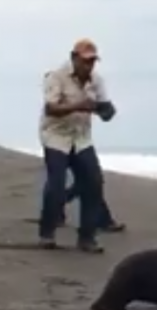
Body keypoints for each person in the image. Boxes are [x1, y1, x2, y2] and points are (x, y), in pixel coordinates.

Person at [37, 38, 118, 253]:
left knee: (94, 182)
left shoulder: (96, 80)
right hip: (56, 136)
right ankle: (47, 232)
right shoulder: (56, 77)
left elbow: (105, 110)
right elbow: (51, 109)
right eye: (85, 61)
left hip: (81, 138)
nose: (88, 66)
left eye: (92, 62)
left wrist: (105, 110)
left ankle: (87, 237)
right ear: (74, 58)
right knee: (56, 184)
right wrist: (78, 105)